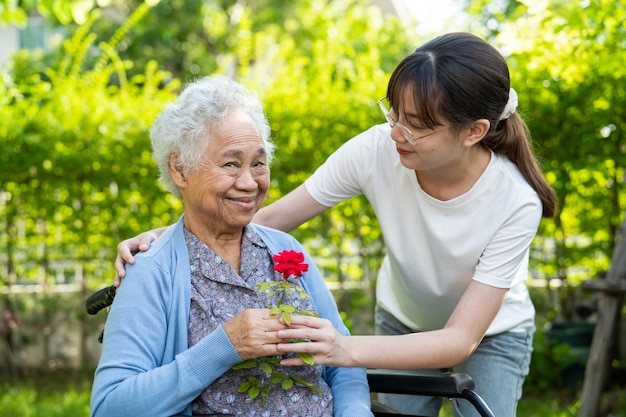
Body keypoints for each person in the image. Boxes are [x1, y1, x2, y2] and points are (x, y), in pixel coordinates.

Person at [115, 32, 557, 417]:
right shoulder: (377, 149)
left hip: (490, 333)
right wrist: (167, 238)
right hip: (403, 319)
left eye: (417, 126)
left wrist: (343, 351)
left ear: (474, 132)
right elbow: (258, 218)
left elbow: (461, 339)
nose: (397, 133)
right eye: (395, 114)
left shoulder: (516, 200)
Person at [90, 75, 373, 417]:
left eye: (258, 163)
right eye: (230, 164)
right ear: (180, 169)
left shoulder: (286, 251)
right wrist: (224, 346)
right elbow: (110, 406)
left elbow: (343, 361)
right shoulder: (150, 271)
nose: (249, 182)